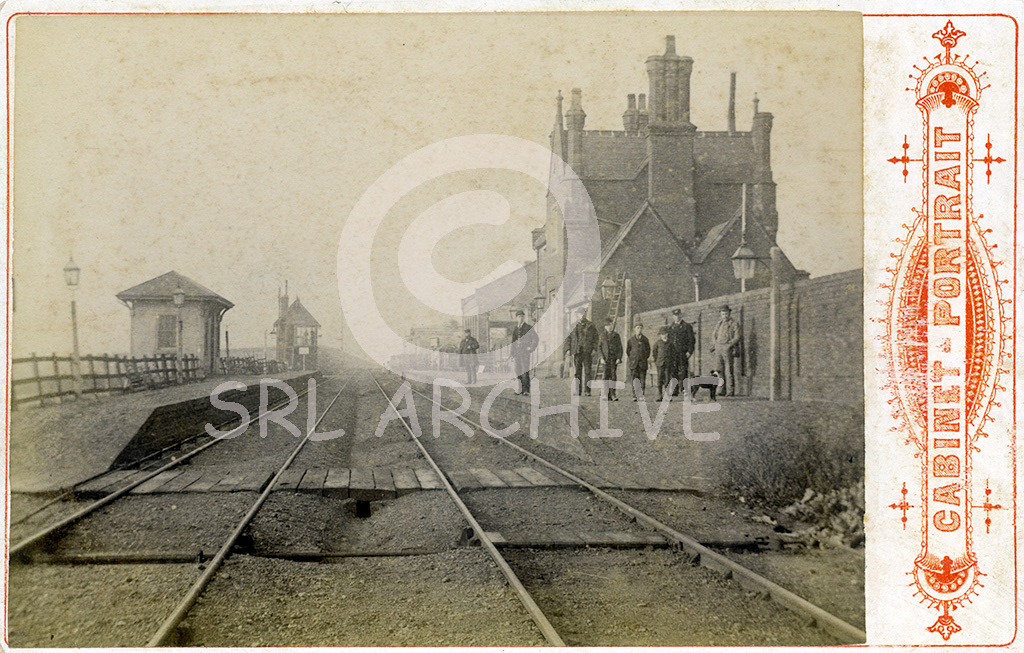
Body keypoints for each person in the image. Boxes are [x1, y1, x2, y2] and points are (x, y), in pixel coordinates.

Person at [711, 304, 741, 397]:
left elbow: (737, 337)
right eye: (723, 314)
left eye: (726, 313)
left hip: (727, 349)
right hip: (718, 348)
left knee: (728, 371)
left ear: (729, 313)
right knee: (719, 370)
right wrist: (715, 344)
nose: (725, 316)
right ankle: (721, 390)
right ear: (721, 314)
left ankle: (730, 391)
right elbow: (714, 335)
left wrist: (729, 344)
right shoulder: (719, 324)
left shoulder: (734, 323)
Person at [667, 308, 696, 396]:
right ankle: (675, 390)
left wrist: (689, 351)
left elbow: (691, 340)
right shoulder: (671, 327)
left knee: (683, 370)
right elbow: (669, 341)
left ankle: (684, 388)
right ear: (673, 316)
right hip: (673, 353)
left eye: (678, 315)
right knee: (673, 371)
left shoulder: (686, 326)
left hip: (683, 353)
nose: (676, 317)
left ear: (681, 315)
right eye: (675, 315)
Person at [569, 310, 599, 396]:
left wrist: (594, 349)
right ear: (577, 315)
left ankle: (587, 391)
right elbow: (568, 338)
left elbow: (596, 338)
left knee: (588, 372)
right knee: (577, 372)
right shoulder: (573, 326)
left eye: (583, 314)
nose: (581, 315)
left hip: (587, 352)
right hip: (577, 351)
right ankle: (578, 390)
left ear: (585, 314)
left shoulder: (591, 326)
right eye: (580, 314)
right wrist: (568, 349)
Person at [510, 310, 538, 395]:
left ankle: (526, 390)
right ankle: (519, 389)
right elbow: (513, 342)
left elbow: (535, 338)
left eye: (522, 316)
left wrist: (531, 348)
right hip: (517, 353)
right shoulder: (515, 329)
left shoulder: (528, 328)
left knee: (525, 371)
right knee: (518, 371)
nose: (521, 318)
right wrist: (512, 354)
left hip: (525, 353)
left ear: (524, 317)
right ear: (516, 318)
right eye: (519, 317)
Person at [597, 318, 623, 401]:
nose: (609, 327)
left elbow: (620, 348)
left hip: (613, 359)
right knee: (605, 376)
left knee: (613, 376)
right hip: (605, 359)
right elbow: (599, 348)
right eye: (607, 325)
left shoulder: (616, 336)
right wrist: (601, 358)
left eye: (610, 325)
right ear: (605, 327)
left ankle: (613, 394)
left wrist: (619, 358)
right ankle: (605, 394)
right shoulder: (602, 336)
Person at [626, 322, 651, 402]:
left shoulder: (645, 340)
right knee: (634, 379)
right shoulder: (630, 340)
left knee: (642, 380)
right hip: (634, 363)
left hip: (642, 363)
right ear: (634, 329)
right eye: (637, 328)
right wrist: (634, 358)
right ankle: (634, 395)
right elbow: (628, 351)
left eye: (640, 328)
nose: (639, 330)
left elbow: (648, 351)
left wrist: (643, 358)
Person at [651, 327, 674, 399]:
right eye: (662, 334)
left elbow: (674, 353)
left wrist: (671, 361)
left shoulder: (670, 343)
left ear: (667, 334)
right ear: (660, 335)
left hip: (668, 364)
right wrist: (657, 361)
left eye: (665, 334)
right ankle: (659, 395)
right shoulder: (657, 343)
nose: (663, 335)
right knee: (660, 379)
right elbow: (654, 353)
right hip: (660, 363)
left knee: (667, 379)